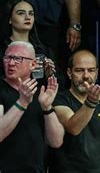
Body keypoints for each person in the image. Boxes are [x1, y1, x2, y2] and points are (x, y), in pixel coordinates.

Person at [0, 41, 64, 172]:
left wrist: (47, 108)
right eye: (8, 58)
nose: (11, 63)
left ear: (33, 64)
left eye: (18, 59)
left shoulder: (41, 92)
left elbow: (56, 142)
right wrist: (22, 102)